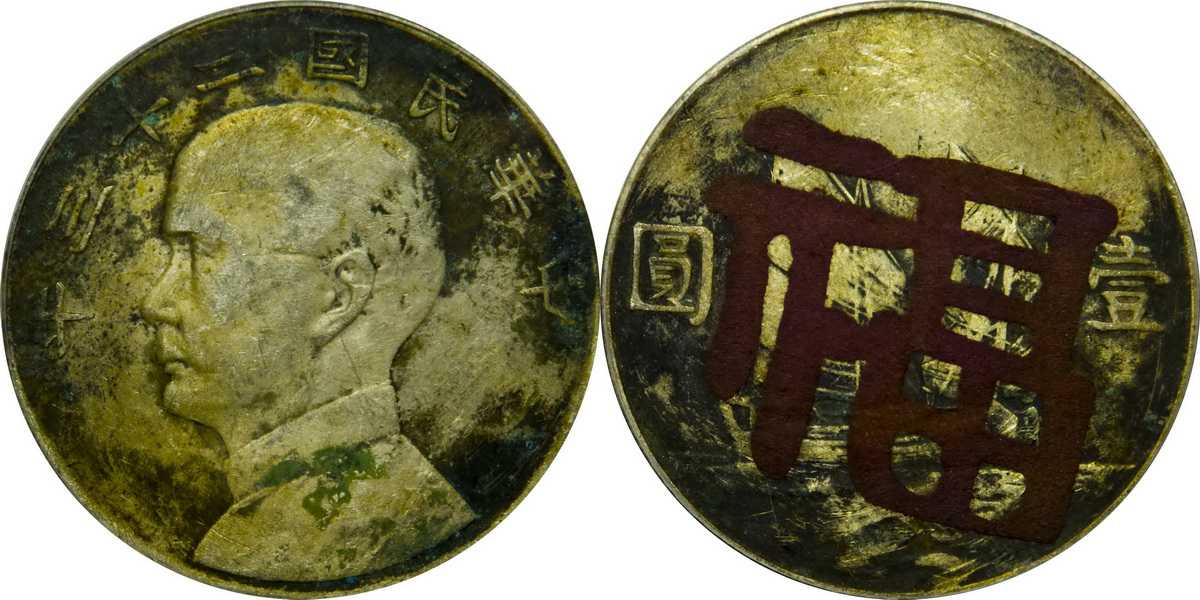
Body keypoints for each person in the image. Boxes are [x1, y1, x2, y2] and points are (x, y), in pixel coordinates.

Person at [141, 102, 475, 581]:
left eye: (200, 253)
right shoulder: (342, 508)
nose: (156, 302)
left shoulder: (348, 530)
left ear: (338, 296)